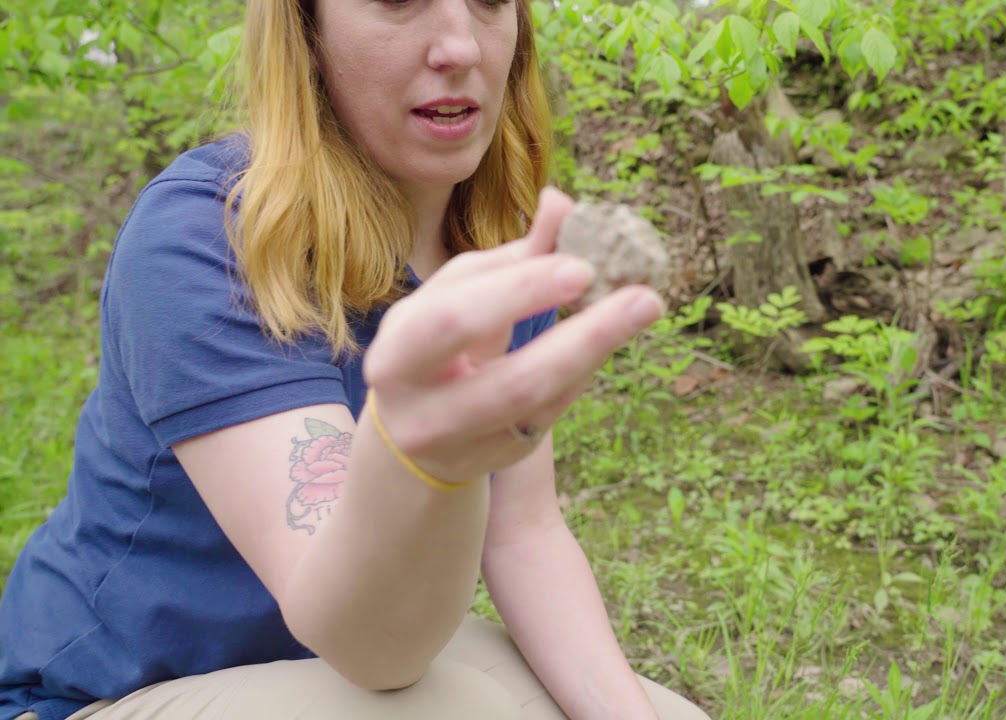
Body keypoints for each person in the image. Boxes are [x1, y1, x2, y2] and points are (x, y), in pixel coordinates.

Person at [0, 0, 711, 718]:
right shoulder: (208, 235)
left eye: (491, 1)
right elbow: (374, 648)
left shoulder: (498, 247)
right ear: (306, 32)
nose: (460, 45)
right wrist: (422, 458)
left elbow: (525, 532)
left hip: (317, 665)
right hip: (105, 691)